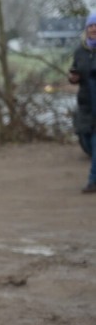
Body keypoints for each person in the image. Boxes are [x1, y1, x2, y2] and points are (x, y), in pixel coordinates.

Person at [68, 11, 96, 194]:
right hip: (85, 103)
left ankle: (92, 181)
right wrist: (73, 77)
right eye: (90, 26)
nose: (93, 29)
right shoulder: (80, 51)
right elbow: (74, 71)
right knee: (85, 139)